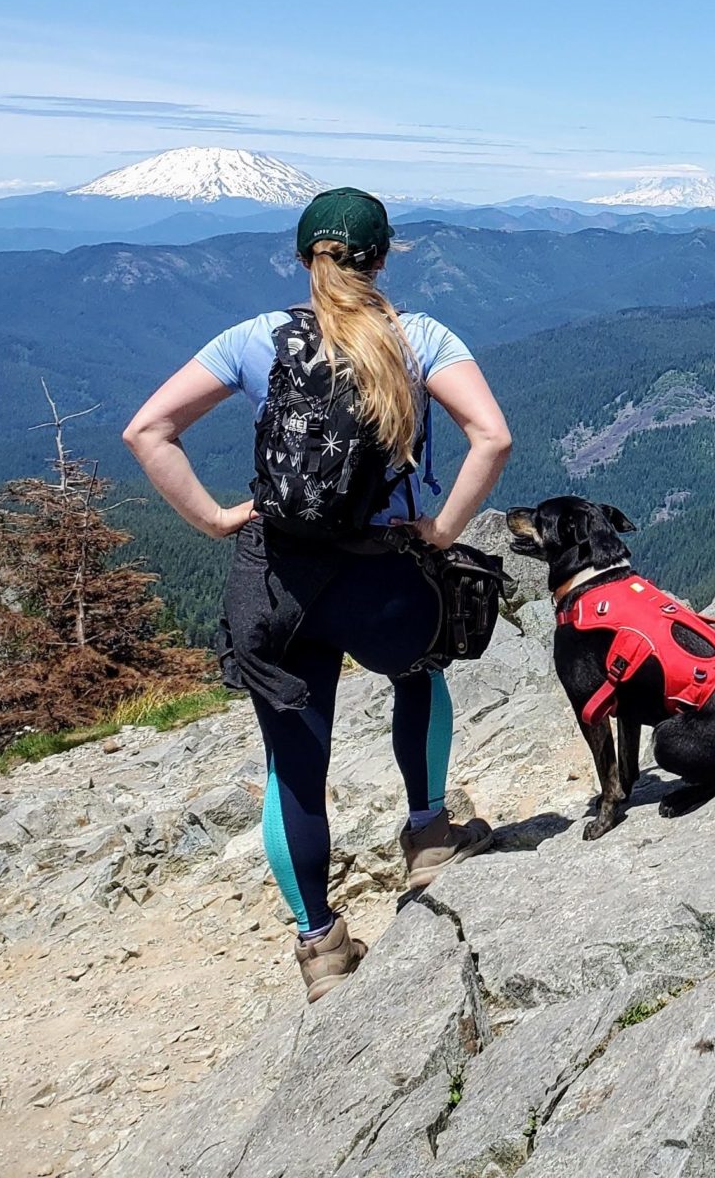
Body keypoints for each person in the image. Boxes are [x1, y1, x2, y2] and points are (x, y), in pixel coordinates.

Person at [124, 186, 514, 1000]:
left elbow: (147, 431)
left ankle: (321, 948)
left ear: (305, 257)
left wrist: (215, 520)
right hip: (383, 577)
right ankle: (429, 831)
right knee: (418, 673)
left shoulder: (253, 340)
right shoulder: (421, 340)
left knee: (293, 765)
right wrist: (440, 532)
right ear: (384, 258)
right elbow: (493, 436)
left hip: (278, 579)